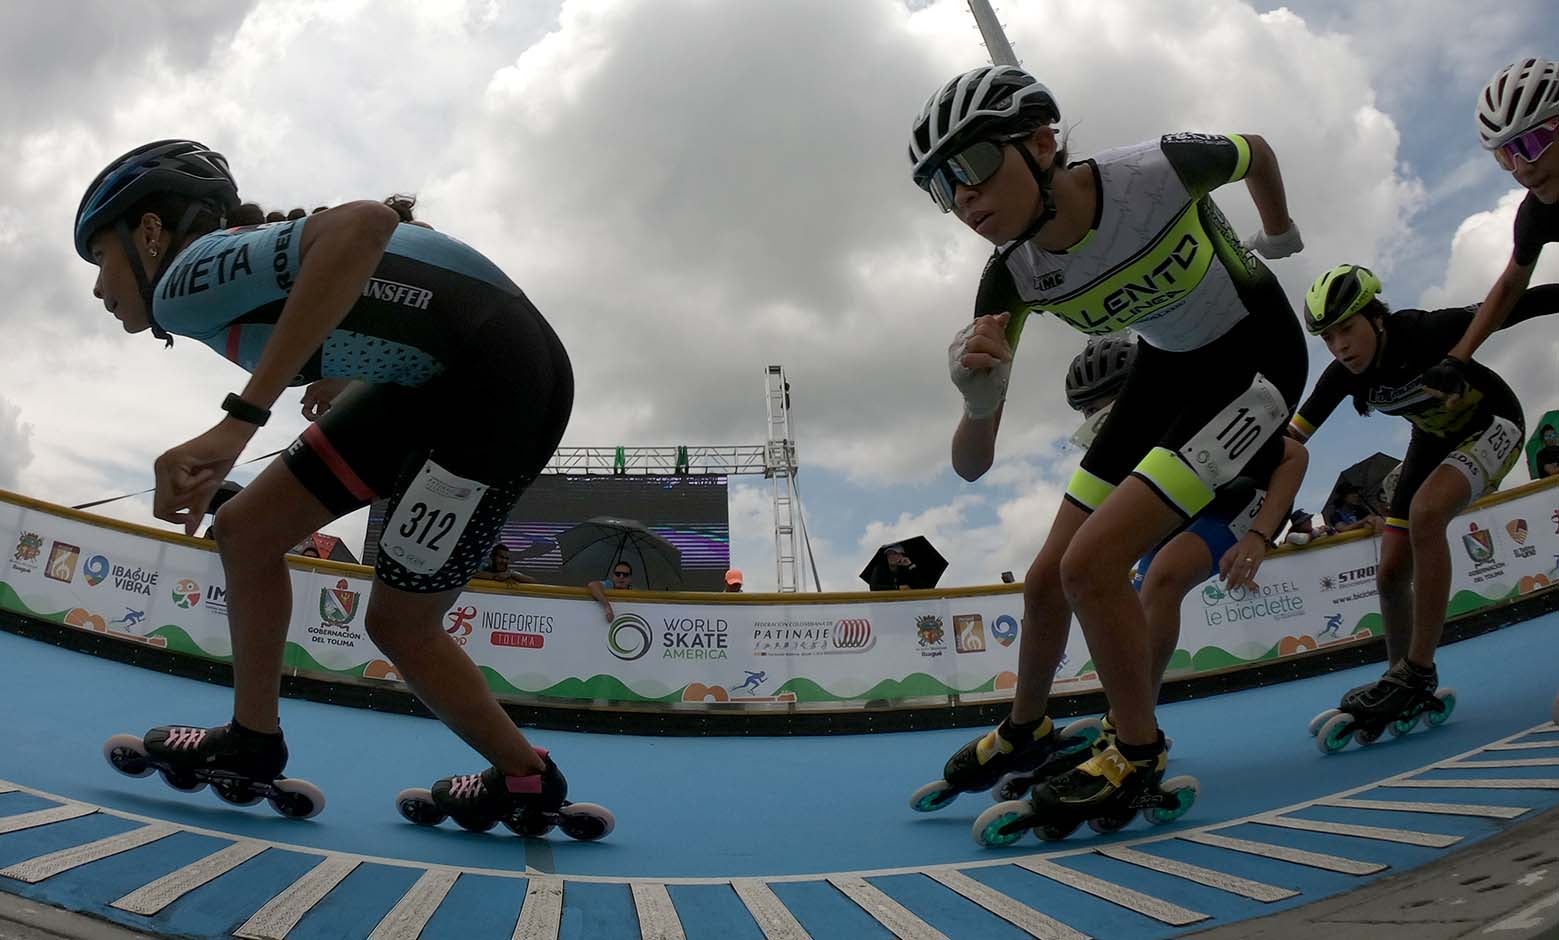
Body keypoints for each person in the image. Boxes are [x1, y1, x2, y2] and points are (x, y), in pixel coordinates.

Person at [76, 139, 588, 833]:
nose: (98, 287)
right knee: (246, 530)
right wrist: (355, 361)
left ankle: (527, 777)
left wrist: (237, 425)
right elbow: (404, 272)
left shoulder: (185, 281)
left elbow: (365, 225)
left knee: (399, 624)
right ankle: (252, 739)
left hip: (493, 392)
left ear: (149, 232)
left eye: (99, 256)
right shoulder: (230, 269)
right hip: (450, 374)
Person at [908, 65, 1308, 834]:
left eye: (974, 165)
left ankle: (1137, 750)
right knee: (1045, 580)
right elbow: (972, 465)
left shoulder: (1156, 171)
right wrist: (977, 403)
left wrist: (1277, 229)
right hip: (1166, 371)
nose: (963, 198)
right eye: (941, 186)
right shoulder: (1009, 277)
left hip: (1254, 361)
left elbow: (1256, 150)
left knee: (1090, 567)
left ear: (1041, 144)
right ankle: (1026, 729)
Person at [1288, 264, 1559, 734]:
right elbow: (1291, 440)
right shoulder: (1342, 375)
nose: (1340, 347)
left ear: (1376, 318)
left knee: (1427, 513)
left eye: (1347, 329)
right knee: (1391, 572)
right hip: (1431, 442)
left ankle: (1418, 669)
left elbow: (1515, 304)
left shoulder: (1424, 330)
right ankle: (1402, 681)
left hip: (1492, 424)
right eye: (1328, 338)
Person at [1064, 337, 1309, 725]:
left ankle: (1130, 725)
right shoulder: (1114, 449)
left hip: (1249, 496)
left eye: (1104, 407)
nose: (1097, 422)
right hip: (1188, 510)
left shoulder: (1197, 416)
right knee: (1137, 599)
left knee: (1165, 577)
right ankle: (1132, 722)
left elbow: (1294, 455)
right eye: (1087, 412)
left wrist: (1259, 537)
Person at [1424, 58, 1559, 407]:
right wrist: (1457, 359)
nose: (1523, 169)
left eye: (1533, 143)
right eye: (1507, 155)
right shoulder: (1536, 215)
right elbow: (1511, 285)